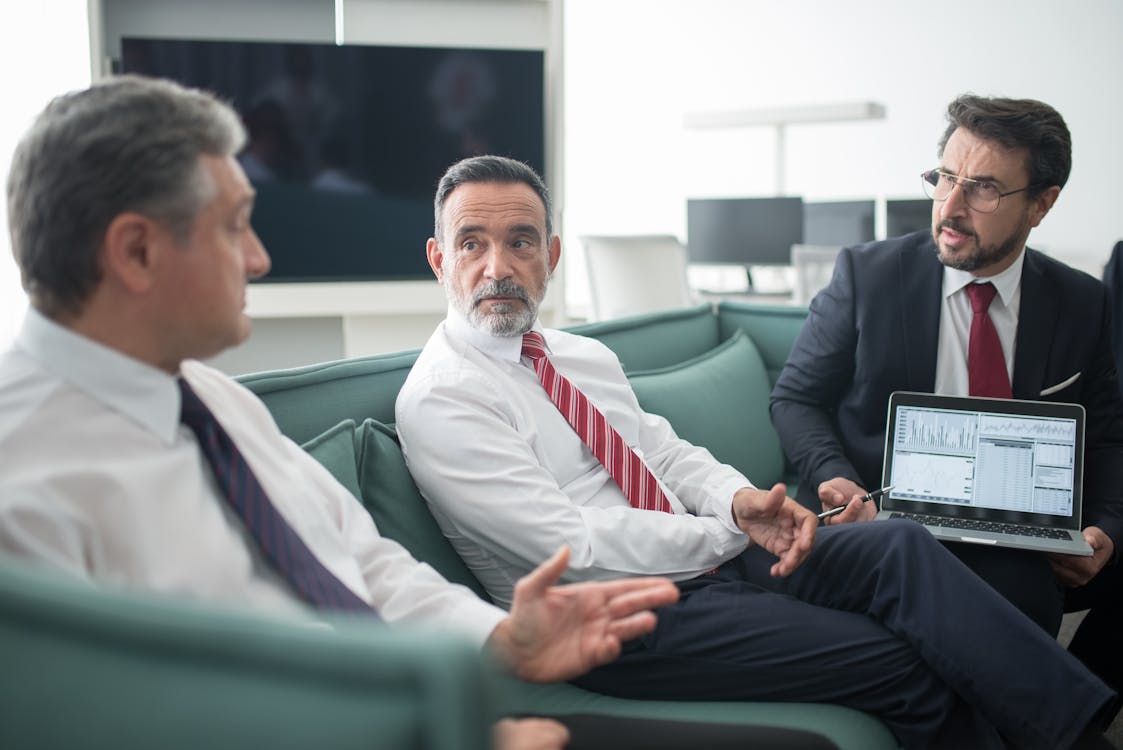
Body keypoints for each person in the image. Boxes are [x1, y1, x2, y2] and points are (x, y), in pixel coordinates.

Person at [0, 75, 686, 750]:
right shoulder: (22, 486)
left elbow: (361, 559)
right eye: (235, 227)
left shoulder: (214, 400)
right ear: (137, 252)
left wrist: (499, 636)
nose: (259, 260)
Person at [394, 153, 1119, 750]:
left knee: (897, 543)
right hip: (616, 614)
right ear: (437, 258)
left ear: (549, 254)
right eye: (471, 243)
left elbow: (662, 451)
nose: (498, 265)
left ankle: (1085, 727)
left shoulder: (577, 354)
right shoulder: (444, 397)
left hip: (708, 558)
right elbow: (567, 542)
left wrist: (740, 499)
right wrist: (725, 529)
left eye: (520, 241)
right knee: (903, 659)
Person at [769, 95, 1123, 702]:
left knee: (1038, 576)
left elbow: (1112, 432)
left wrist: (1106, 529)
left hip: (1018, 522)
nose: (951, 207)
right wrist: (834, 477)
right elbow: (796, 398)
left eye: (983, 188)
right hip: (882, 518)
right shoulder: (867, 275)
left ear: (1042, 203)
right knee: (1021, 592)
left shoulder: (1081, 303)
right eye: (946, 178)